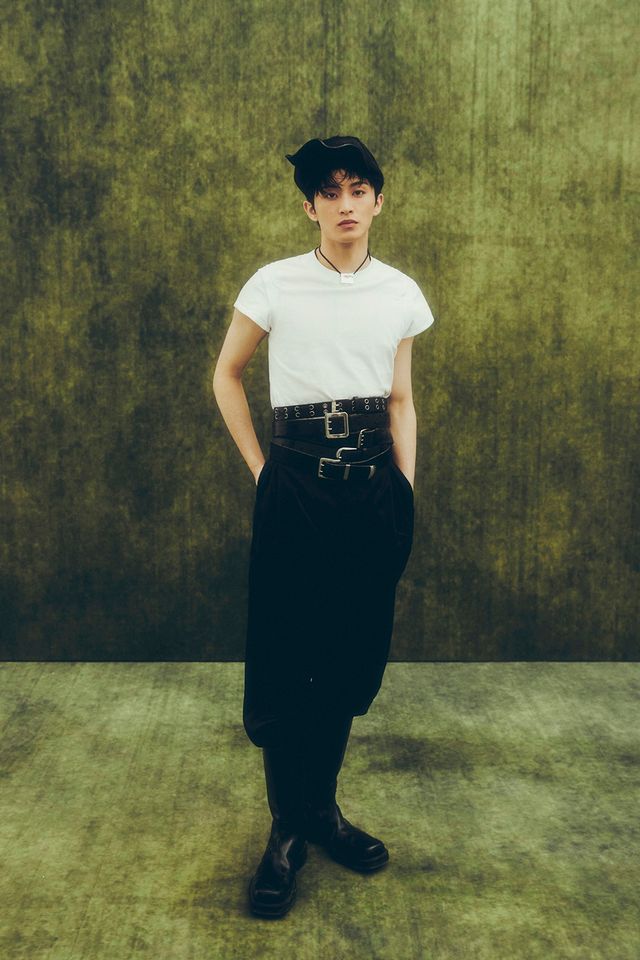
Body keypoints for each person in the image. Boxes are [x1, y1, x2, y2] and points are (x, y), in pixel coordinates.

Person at [212, 135, 435, 918]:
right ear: (310, 205)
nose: (345, 204)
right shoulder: (275, 283)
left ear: (378, 200)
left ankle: (322, 810)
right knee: (287, 659)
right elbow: (226, 375)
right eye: (330, 191)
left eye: (358, 189)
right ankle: (285, 832)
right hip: (296, 491)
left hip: (371, 495)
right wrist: (264, 472)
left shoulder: (400, 293)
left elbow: (401, 401)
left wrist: (402, 492)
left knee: (347, 655)